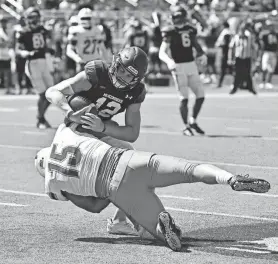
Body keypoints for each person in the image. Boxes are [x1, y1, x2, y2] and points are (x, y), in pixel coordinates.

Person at [34, 123, 271, 252]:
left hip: (117, 189)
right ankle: (229, 179)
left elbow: (95, 206)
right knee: (190, 169)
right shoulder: (64, 133)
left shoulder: (52, 184)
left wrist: (83, 191)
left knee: (165, 237)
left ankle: (163, 225)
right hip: (129, 159)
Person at [46, 46, 149, 237]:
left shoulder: (136, 92)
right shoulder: (97, 73)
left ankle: (119, 220)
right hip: (77, 128)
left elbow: (132, 132)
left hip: (100, 129)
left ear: (136, 80)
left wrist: (102, 127)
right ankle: (46, 163)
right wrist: (70, 112)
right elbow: (53, 91)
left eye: (129, 76)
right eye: (121, 70)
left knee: (133, 162)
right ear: (115, 64)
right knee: (92, 198)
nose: (122, 77)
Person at [159, 5, 207, 137]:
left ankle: (193, 121)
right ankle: (186, 126)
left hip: (191, 65)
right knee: (184, 99)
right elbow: (161, 52)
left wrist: (201, 53)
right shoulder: (169, 31)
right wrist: (169, 61)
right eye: (176, 16)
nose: (178, 19)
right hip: (179, 66)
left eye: (180, 16)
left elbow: (194, 43)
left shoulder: (190, 29)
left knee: (201, 96)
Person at [15, 7, 54, 129]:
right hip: (33, 63)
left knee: (52, 93)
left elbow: (48, 41)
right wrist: (26, 53)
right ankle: (40, 119)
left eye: (36, 17)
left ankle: (40, 117)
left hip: (44, 62)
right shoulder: (22, 32)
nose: (35, 19)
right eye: (32, 17)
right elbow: (18, 50)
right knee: (43, 94)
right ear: (27, 18)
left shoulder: (42, 29)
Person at [66, 8, 109, 73]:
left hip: (95, 62)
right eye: (84, 18)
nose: (86, 20)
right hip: (83, 63)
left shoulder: (98, 29)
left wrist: (107, 61)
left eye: (88, 18)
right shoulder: (76, 31)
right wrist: (78, 59)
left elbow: (102, 47)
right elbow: (69, 50)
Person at [228, 22, 257, 95]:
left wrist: (255, 57)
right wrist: (230, 58)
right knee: (237, 74)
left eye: (244, 29)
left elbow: (253, 47)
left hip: (247, 58)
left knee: (248, 74)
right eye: (242, 29)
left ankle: (250, 88)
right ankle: (235, 88)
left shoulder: (249, 37)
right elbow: (231, 48)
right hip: (239, 58)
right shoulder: (236, 37)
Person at [259, 20, 278, 90]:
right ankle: (262, 82)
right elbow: (261, 42)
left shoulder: (276, 34)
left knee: (271, 69)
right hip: (266, 52)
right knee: (264, 67)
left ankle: (268, 82)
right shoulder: (265, 35)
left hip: (273, 53)